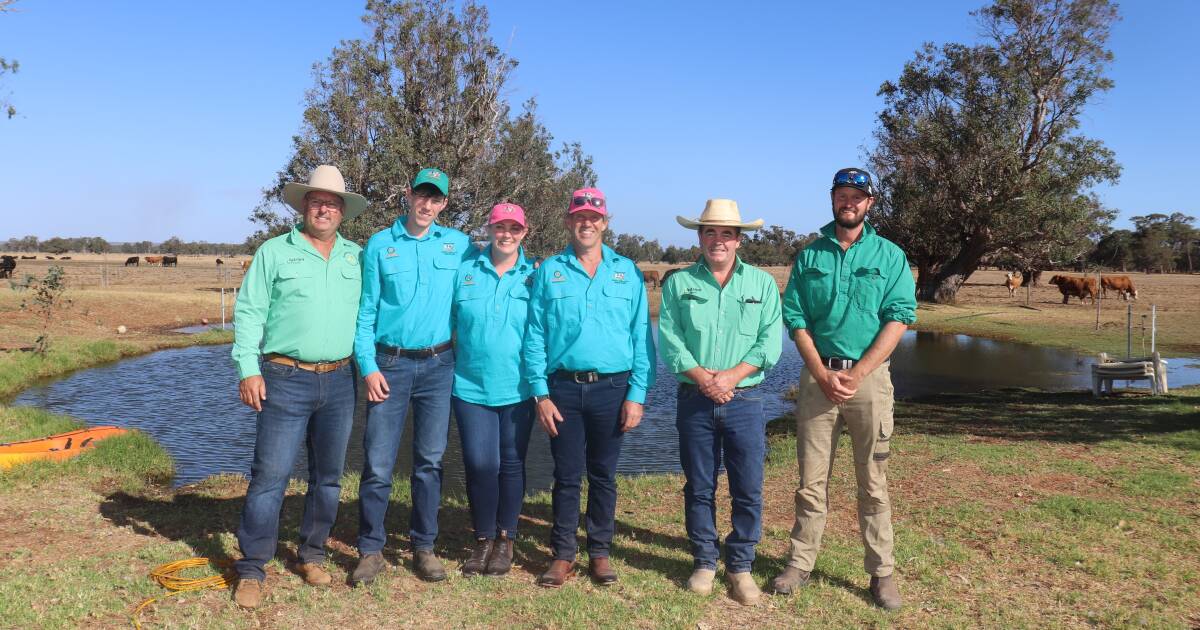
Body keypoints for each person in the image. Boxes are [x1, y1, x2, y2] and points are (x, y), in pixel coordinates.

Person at [772, 168, 917, 611]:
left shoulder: (890, 255)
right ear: (832, 199)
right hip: (818, 381)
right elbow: (795, 318)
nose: (848, 202)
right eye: (841, 194)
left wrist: (859, 372)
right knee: (810, 483)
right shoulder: (811, 254)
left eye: (857, 196)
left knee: (873, 482)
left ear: (870, 203)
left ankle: (882, 573)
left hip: (869, 382)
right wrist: (819, 371)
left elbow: (899, 317)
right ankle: (800, 563)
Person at [229, 165, 367, 609]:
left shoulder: (356, 257)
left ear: (342, 211)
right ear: (303, 205)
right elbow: (250, 312)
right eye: (315, 200)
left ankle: (312, 553)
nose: (323, 208)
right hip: (284, 378)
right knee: (270, 477)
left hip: (341, 381)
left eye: (331, 202)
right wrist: (248, 368)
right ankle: (252, 567)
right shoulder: (274, 252)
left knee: (327, 479)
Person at [524, 188, 656, 588]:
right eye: (579, 216)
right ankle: (563, 553)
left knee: (603, 475)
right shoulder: (550, 270)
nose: (587, 223)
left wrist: (637, 394)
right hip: (562, 388)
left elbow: (641, 339)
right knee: (566, 475)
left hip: (613, 389)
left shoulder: (628, 271)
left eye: (594, 217)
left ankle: (600, 552)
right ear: (569, 222)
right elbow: (534, 335)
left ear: (605, 222)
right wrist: (540, 393)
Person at [657, 199, 782, 604]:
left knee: (748, 487)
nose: (718, 240)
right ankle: (705, 561)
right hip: (694, 400)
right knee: (699, 486)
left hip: (745, 400)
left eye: (726, 233)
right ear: (699, 236)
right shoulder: (678, 284)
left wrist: (730, 377)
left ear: (739, 240)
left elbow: (770, 343)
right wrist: (704, 379)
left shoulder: (762, 284)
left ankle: (741, 566)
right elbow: (671, 341)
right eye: (710, 232)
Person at [352, 167, 470, 584]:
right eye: (421, 195)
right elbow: (366, 312)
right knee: (378, 464)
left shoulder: (459, 244)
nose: (427, 204)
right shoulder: (381, 245)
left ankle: (424, 546)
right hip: (390, 365)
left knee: (430, 462)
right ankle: (370, 549)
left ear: (443, 204)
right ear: (407, 195)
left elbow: (487, 281)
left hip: (439, 367)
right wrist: (368, 367)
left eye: (435, 198)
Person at [451, 203, 537, 577]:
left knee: (512, 464)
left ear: (524, 232)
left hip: (519, 389)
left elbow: (543, 331)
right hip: (469, 387)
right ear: (488, 229)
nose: (506, 234)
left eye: (513, 228)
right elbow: (449, 324)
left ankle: (506, 538)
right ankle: (483, 538)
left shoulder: (535, 276)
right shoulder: (465, 271)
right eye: (499, 227)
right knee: (479, 464)